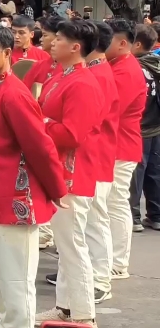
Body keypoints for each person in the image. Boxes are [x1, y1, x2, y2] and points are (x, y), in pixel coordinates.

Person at [0, 25, 67, 328]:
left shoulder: (13, 94)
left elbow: (40, 146)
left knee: (16, 279)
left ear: (8, 53)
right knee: (4, 276)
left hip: (14, 201)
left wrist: (56, 189)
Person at [35, 19, 103, 327]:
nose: (51, 42)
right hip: (59, 169)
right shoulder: (61, 76)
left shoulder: (83, 83)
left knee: (73, 245)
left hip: (73, 173)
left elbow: (73, 134)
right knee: (65, 245)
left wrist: (41, 125)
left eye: (58, 39)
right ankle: (65, 308)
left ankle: (84, 314)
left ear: (76, 47)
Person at [104, 19, 147, 279]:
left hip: (121, 146)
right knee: (110, 205)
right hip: (115, 144)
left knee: (116, 204)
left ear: (122, 43)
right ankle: (107, 261)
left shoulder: (126, 70)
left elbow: (108, 109)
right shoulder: (116, 64)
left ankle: (117, 263)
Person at [131, 23, 160, 232]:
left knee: (135, 174)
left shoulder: (133, 67)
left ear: (137, 44)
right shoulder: (157, 63)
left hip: (139, 127)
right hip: (157, 126)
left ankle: (133, 216)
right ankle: (156, 215)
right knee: (155, 172)